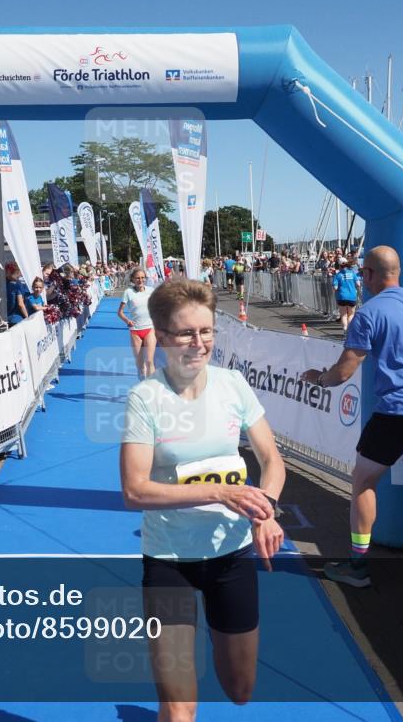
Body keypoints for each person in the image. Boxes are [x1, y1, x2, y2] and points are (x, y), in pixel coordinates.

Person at [120, 277, 286, 721]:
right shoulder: (145, 398)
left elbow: (272, 460)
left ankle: (217, 627)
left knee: (240, 690)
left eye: (207, 331)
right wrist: (218, 492)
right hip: (168, 560)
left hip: (231, 555)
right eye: (186, 333)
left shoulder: (233, 385)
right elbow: (134, 490)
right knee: (179, 709)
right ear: (161, 336)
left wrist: (265, 508)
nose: (199, 343)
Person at [301, 246, 403, 598]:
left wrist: (317, 378)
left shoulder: (369, 312)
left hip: (399, 409)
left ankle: (358, 566)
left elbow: (344, 371)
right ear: (398, 271)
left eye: (364, 274)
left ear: (370, 274)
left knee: (363, 481)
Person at [118, 267, 156, 380]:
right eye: (138, 278)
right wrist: (127, 321)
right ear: (133, 279)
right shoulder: (128, 292)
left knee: (149, 361)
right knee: (140, 366)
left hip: (150, 329)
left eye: (143, 278)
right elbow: (120, 312)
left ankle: (151, 386)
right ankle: (142, 381)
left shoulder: (151, 290)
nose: (140, 280)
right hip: (135, 331)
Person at [331, 260, 362, 332]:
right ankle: (350, 330)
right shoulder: (352, 273)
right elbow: (358, 284)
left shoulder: (337, 275)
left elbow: (335, 288)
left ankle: (345, 329)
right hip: (352, 296)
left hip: (341, 297)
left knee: (343, 315)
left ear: (339, 266)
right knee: (351, 314)